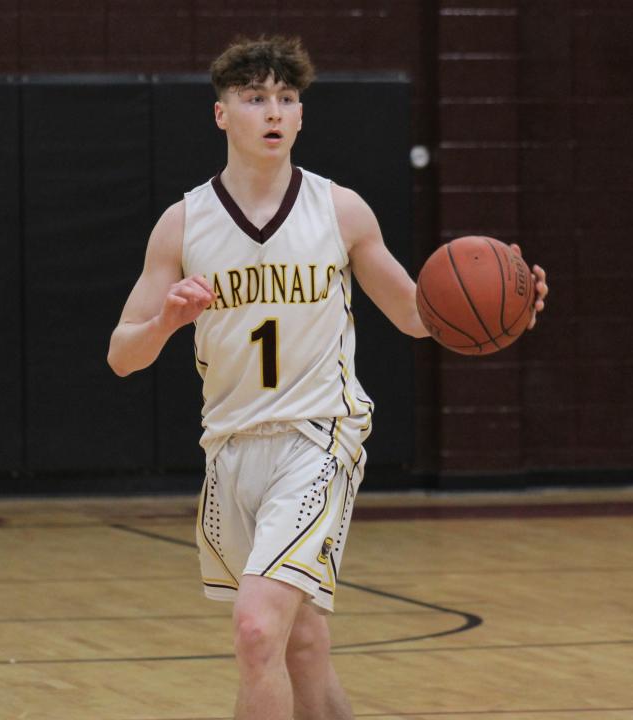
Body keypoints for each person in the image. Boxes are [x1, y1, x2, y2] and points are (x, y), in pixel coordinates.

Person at [108, 35, 548, 720]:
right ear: (222, 113)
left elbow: (414, 314)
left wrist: (507, 308)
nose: (273, 111)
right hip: (229, 450)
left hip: (320, 439)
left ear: (303, 116)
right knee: (301, 642)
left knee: (257, 631)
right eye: (254, 98)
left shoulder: (340, 211)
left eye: (287, 98)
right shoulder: (183, 223)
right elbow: (121, 355)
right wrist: (166, 320)